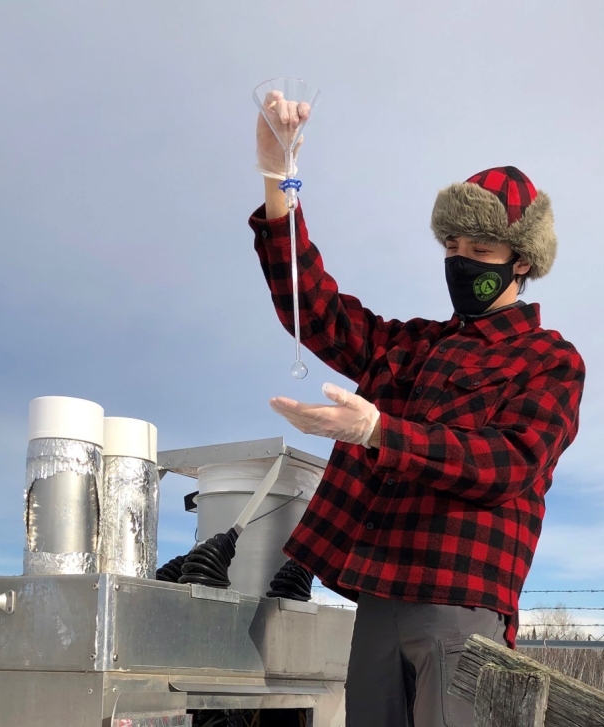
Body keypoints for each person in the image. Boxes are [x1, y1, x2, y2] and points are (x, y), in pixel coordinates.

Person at [250, 92, 585, 727]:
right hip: (379, 592)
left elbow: (509, 463)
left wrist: (381, 431)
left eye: (481, 251)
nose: (461, 262)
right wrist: (278, 179)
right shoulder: (410, 346)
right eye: (453, 245)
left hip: (460, 598)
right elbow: (314, 307)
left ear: (524, 260)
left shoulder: (549, 359)